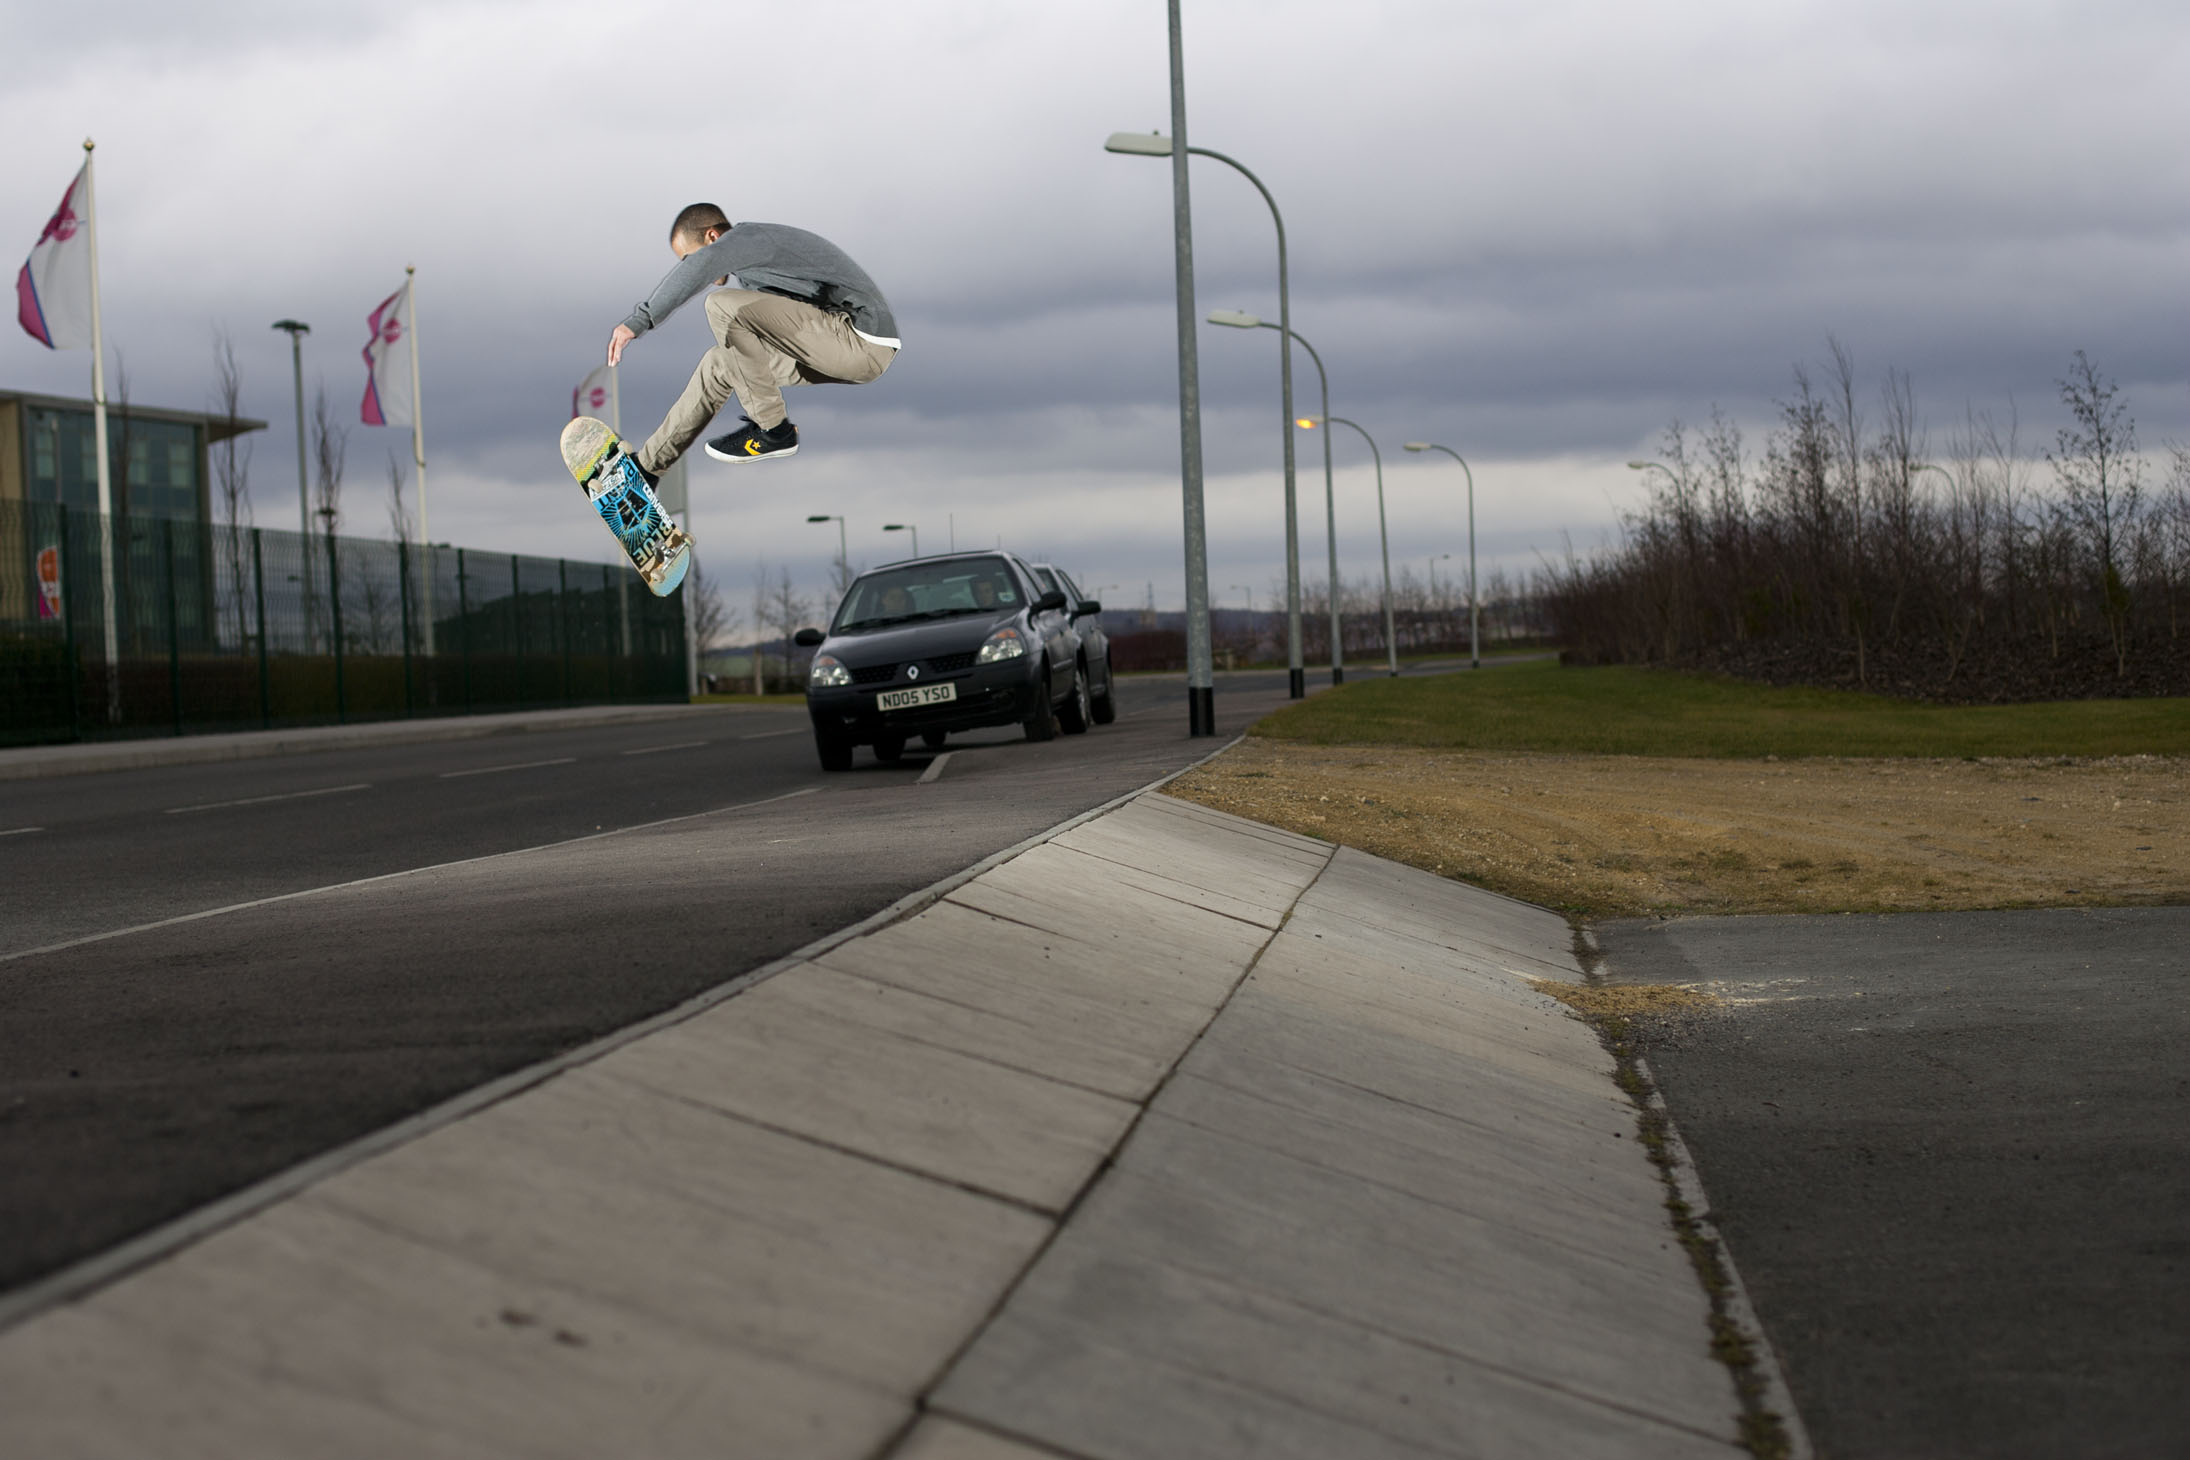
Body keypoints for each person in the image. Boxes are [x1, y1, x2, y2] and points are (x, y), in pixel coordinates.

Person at [607, 203, 900, 477]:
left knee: (721, 305)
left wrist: (639, 321)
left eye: (688, 258)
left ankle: (774, 430)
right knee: (719, 362)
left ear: (712, 236)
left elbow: (703, 263)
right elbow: (789, 327)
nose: (694, 270)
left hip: (859, 335)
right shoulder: (755, 275)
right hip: (833, 347)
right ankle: (644, 471)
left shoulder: (749, 238)